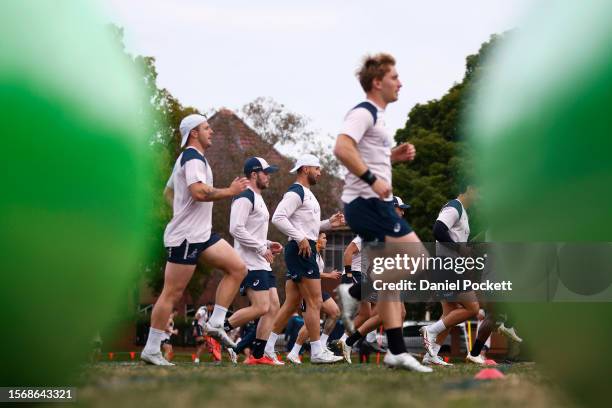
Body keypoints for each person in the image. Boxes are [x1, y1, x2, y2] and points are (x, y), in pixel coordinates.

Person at [334, 53, 431, 372]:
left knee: (393, 275)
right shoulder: (364, 112)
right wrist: (372, 179)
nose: (400, 82)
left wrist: (392, 158)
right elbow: (342, 147)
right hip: (367, 203)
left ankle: (397, 351)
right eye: (394, 77)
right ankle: (357, 292)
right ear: (377, 82)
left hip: (371, 203)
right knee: (417, 256)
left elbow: (367, 154)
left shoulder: (378, 116)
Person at [141, 114, 249, 366]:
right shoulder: (191, 157)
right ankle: (151, 348)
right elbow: (199, 192)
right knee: (172, 293)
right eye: (206, 127)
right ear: (194, 133)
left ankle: (215, 323)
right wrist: (231, 192)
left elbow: (169, 192)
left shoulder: (193, 159)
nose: (211, 131)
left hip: (201, 234)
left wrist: (181, 210)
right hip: (187, 237)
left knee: (237, 268)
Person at [263, 154, 345, 364]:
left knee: (290, 305)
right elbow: (278, 218)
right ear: (305, 168)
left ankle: (268, 348)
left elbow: (307, 226)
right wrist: (300, 239)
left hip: (302, 247)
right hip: (302, 249)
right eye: (317, 168)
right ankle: (317, 351)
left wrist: (328, 224)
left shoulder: (307, 194)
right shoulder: (296, 191)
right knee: (315, 301)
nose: (320, 172)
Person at [223, 157, 284, 365]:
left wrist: (268, 244)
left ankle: (257, 356)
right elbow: (236, 228)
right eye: (266, 173)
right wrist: (260, 248)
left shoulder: (257, 197)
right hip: (249, 263)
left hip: (261, 261)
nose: (269, 177)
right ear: (254, 174)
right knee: (261, 307)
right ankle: (218, 330)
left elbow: (251, 231)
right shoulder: (244, 196)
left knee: (274, 307)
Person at [421, 182, 479, 366]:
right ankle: (430, 330)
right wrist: (459, 248)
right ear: (470, 188)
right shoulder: (455, 207)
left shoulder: (461, 210)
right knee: (473, 308)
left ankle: (431, 355)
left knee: (450, 314)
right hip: (448, 267)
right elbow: (438, 229)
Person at [286, 232, 343, 364]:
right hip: (307, 291)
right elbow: (308, 272)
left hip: (317, 291)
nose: (326, 240)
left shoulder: (318, 255)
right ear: (316, 240)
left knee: (334, 313)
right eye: (324, 238)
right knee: (312, 323)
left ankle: (319, 346)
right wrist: (328, 276)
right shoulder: (308, 251)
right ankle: (295, 352)